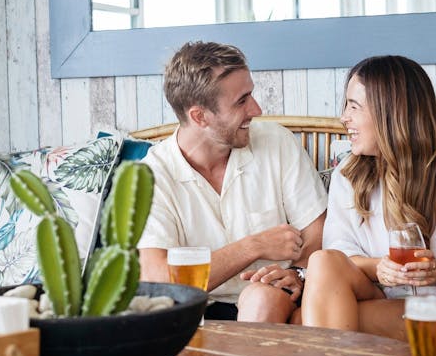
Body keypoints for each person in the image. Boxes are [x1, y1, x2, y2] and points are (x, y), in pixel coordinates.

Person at [300, 55, 436, 340]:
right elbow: (341, 255)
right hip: (380, 296)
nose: (343, 118)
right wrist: (381, 268)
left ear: (391, 113)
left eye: (354, 106)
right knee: (323, 261)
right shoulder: (348, 178)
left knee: (302, 319)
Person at [137, 41, 327, 323]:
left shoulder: (276, 142)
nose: (257, 109)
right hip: (192, 312)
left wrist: (297, 272)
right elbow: (158, 280)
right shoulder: (151, 176)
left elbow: (319, 230)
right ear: (199, 117)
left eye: (251, 94)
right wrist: (253, 246)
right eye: (242, 101)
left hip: (269, 297)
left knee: (261, 296)